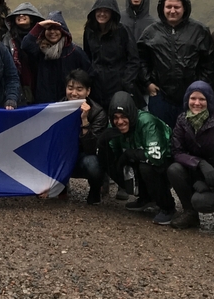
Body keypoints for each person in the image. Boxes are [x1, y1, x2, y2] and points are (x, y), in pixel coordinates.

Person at [138, 0, 214, 128]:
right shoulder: (151, 32)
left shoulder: (199, 31)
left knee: (190, 137)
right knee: (161, 136)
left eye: (176, 7)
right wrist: (147, 83)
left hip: (191, 98)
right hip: (160, 96)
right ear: (162, 8)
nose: (172, 11)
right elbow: (141, 59)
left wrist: (200, 88)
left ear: (184, 8)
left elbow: (208, 64)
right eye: (168, 7)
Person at [167, 81, 214, 230]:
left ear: (210, 100)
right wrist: (198, 163)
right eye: (193, 98)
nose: (196, 103)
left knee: (201, 201)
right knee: (174, 169)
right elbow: (177, 151)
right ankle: (190, 214)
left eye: (202, 99)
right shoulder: (182, 119)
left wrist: (212, 180)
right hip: (197, 170)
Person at [96, 90, 174, 224]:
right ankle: (145, 198)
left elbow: (156, 157)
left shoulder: (147, 122)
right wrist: (103, 143)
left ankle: (167, 207)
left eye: (123, 116)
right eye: (116, 117)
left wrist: (128, 154)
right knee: (112, 163)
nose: (119, 121)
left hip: (166, 164)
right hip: (139, 158)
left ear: (131, 114)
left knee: (146, 167)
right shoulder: (114, 125)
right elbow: (112, 158)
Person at [82, 0, 140, 109]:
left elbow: (134, 59)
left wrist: (125, 82)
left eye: (106, 11)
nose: (102, 14)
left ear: (112, 13)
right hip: (96, 86)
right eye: (99, 10)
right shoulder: (89, 32)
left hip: (118, 85)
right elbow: (88, 57)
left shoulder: (122, 31)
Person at [21, 12, 91, 104]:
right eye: (49, 29)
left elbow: (89, 75)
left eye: (56, 29)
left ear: (63, 31)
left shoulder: (75, 52)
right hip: (44, 104)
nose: (52, 32)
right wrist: (39, 26)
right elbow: (25, 45)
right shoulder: (40, 50)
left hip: (69, 102)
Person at [63, 70, 108, 205]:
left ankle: (95, 190)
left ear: (88, 91)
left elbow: (92, 149)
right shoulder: (58, 107)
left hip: (84, 156)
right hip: (65, 157)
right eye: (70, 88)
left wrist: (85, 122)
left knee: (93, 163)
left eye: (79, 89)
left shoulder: (98, 112)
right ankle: (60, 186)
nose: (74, 93)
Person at [3, 2, 45, 106]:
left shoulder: (42, 37)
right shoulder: (8, 38)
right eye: (18, 14)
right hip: (16, 80)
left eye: (25, 13)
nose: (21, 15)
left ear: (32, 18)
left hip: (39, 78)